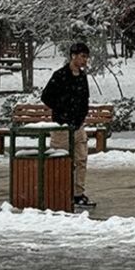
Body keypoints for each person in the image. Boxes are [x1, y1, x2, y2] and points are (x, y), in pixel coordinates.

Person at [41, 42, 92, 206]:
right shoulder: (60, 75)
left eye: (86, 57)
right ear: (73, 56)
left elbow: (85, 98)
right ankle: (58, 191)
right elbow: (46, 97)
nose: (85, 60)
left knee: (81, 160)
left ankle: (78, 193)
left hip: (78, 126)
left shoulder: (83, 77)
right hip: (62, 127)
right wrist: (62, 109)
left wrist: (81, 115)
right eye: (82, 56)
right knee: (59, 160)